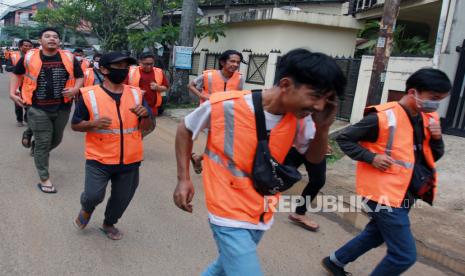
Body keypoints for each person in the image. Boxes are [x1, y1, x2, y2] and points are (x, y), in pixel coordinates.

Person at [173, 49, 346, 275]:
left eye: (327, 100)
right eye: (315, 96)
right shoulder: (227, 105)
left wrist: (323, 127)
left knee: (224, 267)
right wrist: (183, 179)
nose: (320, 106)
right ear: (285, 84)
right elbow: (185, 129)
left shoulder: (301, 118)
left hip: (261, 208)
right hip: (227, 207)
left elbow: (313, 158)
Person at [322, 68, 451, 276]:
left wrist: (437, 139)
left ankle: (335, 262)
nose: (436, 104)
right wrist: (372, 157)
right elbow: (344, 139)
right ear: (412, 92)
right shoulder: (383, 117)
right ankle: (336, 262)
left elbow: (430, 156)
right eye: (434, 98)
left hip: (406, 192)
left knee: (376, 234)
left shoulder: (428, 118)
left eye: (440, 100)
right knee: (404, 255)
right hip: (384, 194)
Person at [71, 52, 154, 240]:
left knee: (121, 199)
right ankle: (87, 209)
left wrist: (146, 116)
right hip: (99, 158)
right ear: (104, 69)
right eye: (118, 67)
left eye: (126, 67)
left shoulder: (136, 94)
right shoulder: (89, 95)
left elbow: (146, 128)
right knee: (93, 195)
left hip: (130, 160)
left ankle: (109, 223)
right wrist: (92, 124)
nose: (123, 71)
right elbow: (75, 125)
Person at [9, 27, 84, 193]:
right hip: (37, 107)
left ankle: (31, 139)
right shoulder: (29, 57)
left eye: (55, 37)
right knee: (44, 143)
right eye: (47, 36)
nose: (52, 39)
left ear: (59, 41)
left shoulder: (69, 58)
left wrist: (75, 89)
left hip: (63, 106)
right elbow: (17, 73)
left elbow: (80, 76)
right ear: (40, 40)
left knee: (56, 140)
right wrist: (12, 92)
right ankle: (45, 178)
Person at [187, 50, 245, 174]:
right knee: (213, 141)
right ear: (223, 62)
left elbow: (238, 95)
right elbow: (190, 85)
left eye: (238, 62)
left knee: (219, 143)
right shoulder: (209, 75)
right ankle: (195, 157)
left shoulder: (239, 78)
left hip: (226, 115)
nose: (235, 64)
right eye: (232, 61)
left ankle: (199, 158)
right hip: (206, 114)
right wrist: (202, 96)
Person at [6, 39, 33, 128]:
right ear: (20, 47)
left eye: (30, 46)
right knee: (18, 103)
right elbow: (7, 67)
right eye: (25, 45)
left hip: (29, 84)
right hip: (17, 83)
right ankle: (19, 119)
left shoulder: (34, 56)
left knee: (29, 102)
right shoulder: (14, 55)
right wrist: (18, 68)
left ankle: (27, 118)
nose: (28, 47)